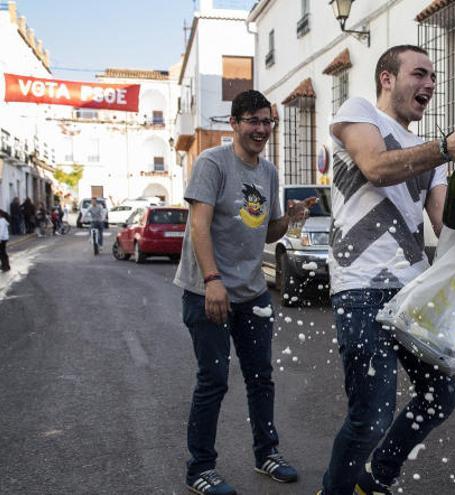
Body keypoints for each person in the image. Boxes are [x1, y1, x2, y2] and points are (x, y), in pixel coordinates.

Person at [319, 45, 455, 495]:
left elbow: (441, 221)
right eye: (419, 74)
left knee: (440, 396)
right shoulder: (359, 114)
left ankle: (375, 480)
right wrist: (445, 148)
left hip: (411, 294)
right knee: (370, 416)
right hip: (361, 288)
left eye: (433, 77)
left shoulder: (428, 153)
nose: (430, 84)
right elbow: (374, 167)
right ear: (387, 79)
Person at [173, 90, 312, 495]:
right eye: (252, 120)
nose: (261, 129)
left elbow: (265, 230)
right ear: (233, 123)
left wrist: (290, 218)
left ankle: (266, 453)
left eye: (267, 121)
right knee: (213, 379)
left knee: (261, 378)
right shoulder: (212, 163)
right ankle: (200, 467)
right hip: (207, 290)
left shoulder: (268, 173)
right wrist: (213, 280)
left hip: (252, 294)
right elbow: (200, 225)